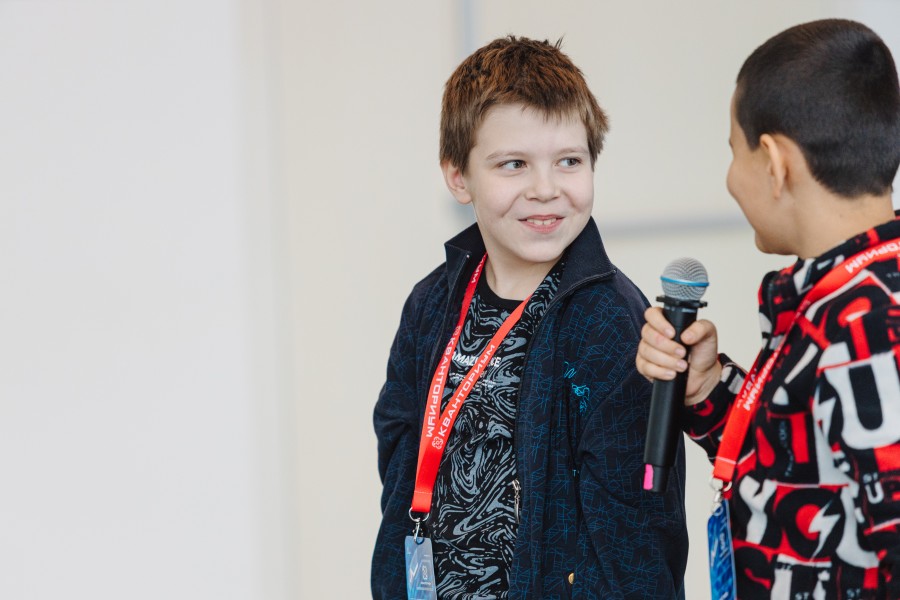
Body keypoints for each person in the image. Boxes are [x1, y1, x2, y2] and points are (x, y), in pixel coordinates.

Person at [373, 36, 688, 599]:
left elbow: (637, 536)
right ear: (458, 176)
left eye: (569, 161)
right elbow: (399, 461)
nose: (546, 190)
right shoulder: (431, 303)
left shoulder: (612, 323)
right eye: (514, 164)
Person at [636, 19, 900, 599]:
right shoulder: (837, 299)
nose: (731, 180)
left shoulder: (869, 324)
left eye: (735, 152)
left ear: (776, 163)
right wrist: (708, 387)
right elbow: (801, 466)